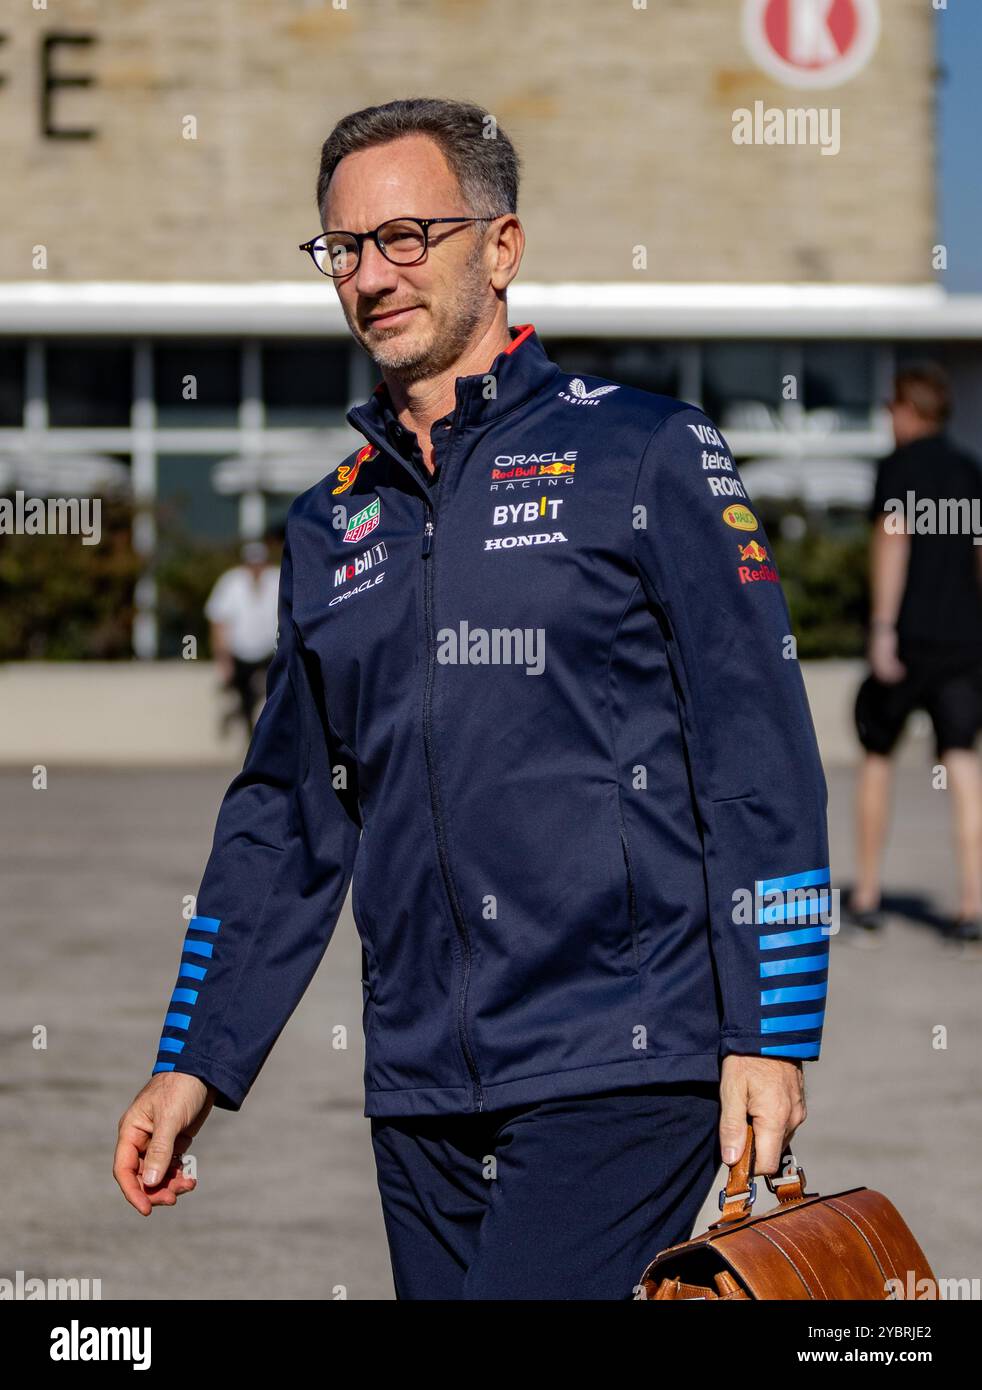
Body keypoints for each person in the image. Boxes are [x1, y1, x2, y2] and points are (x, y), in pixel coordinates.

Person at [114, 97, 832, 1300]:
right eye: (343, 248)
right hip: (420, 1087)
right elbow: (290, 814)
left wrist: (773, 1029)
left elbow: (757, 753)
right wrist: (194, 1059)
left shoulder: (646, 453)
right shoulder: (328, 522)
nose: (370, 275)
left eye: (407, 236)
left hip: (623, 1053)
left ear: (499, 248)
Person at [848, 365, 982, 949]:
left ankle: (869, 895)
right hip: (962, 643)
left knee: (877, 754)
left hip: (907, 642)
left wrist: (882, 629)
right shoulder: (968, 471)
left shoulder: (900, 468)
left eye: (891, 410)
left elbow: (893, 541)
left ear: (908, 411)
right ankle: (973, 904)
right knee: (962, 760)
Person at [204, 539, 280, 738]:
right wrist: (224, 660)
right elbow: (218, 623)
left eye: (259, 563)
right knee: (246, 699)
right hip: (240, 653)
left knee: (277, 694)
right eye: (251, 564)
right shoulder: (231, 582)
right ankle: (251, 740)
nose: (255, 569)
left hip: (271, 651)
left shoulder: (277, 578)